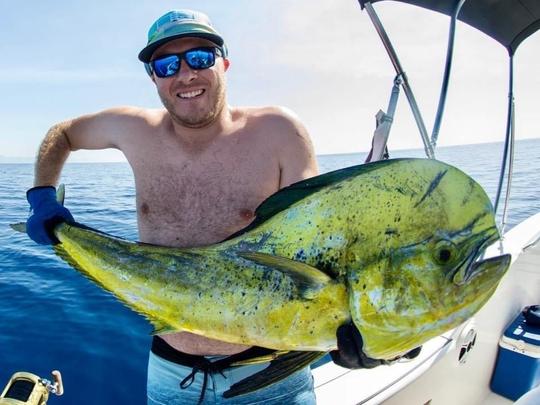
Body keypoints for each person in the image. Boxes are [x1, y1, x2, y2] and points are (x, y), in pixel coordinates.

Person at [25, 8, 415, 405]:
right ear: (153, 77)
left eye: (199, 58)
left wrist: (372, 331)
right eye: (166, 64)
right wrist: (41, 194)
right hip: (168, 374)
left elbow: (322, 252)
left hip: (268, 376)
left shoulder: (280, 131)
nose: (185, 74)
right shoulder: (133, 130)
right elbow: (63, 133)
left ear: (224, 63)